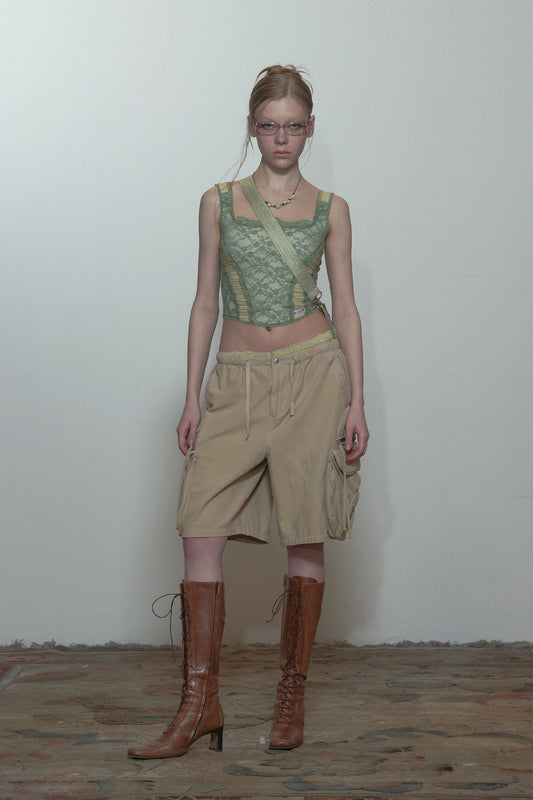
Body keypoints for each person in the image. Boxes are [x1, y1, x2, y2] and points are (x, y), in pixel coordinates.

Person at [128, 64, 369, 760]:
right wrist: (192, 393)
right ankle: (200, 702)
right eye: (269, 125)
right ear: (251, 128)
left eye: (293, 125)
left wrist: (357, 398)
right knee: (199, 526)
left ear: (310, 128)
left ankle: (290, 699)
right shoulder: (218, 202)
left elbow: (346, 307)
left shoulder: (331, 208)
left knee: (305, 530)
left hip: (313, 377)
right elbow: (205, 300)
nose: (281, 137)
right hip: (235, 381)